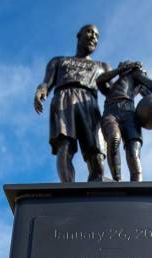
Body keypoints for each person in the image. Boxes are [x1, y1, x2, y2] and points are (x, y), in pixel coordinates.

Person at [34, 25, 110, 182]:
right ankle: (68, 188)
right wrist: (40, 91)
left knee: (97, 156)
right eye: (90, 32)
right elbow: (46, 83)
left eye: (97, 35)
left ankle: (95, 191)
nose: (93, 37)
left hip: (89, 102)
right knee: (65, 146)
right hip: (64, 99)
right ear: (79, 35)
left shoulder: (103, 67)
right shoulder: (59, 61)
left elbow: (114, 92)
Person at [97, 61, 152, 181]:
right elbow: (100, 81)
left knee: (133, 150)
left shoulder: (135, 76)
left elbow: (150, 84)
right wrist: (120, 70)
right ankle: (117, 180)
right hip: (110, 113)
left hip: (129, 113)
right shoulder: (112, 88)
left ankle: (137, 184)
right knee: (114, 139)